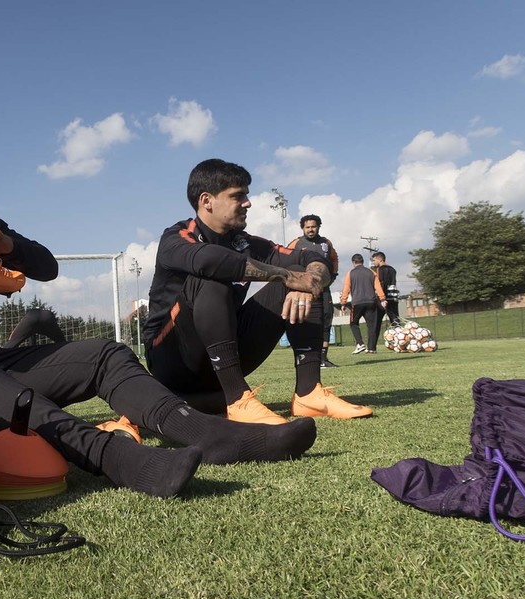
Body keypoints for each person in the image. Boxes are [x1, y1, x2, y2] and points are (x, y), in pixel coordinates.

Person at [0, 112, 318, 499]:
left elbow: (46, 265)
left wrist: (8, 246)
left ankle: (208, 435)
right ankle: (117, 458)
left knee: (105, 353)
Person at [143, 159, 373, 424]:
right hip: (173, 362)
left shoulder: (242, 242)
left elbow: (310, 256)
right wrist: (288, 276)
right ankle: (237, 400)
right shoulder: (176, 238)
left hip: (219, 364)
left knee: (304, 275)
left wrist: (309, 280)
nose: (248, 203)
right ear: (207, 201)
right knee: (213, 276)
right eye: (237, 196)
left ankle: (309, 393)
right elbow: (210, 261)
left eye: (246, 195)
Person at [287, 215, 340, 368]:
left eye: (313, 227)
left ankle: (323, 358)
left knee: (326, 319)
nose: (310, 230)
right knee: (303, 321)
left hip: (323, 288)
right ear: (303, 228)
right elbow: (286, 259)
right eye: (307, 227)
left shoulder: (326, 243)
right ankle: (304, 357)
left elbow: (334, 259)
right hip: (303, 290)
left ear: (318, 227)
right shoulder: (296, 243)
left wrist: (332, 276)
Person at [339, 253, 386, 354]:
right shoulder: (371, 272)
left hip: (357, 303)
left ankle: (360, 343)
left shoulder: (350, 273)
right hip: (371, 302)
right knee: (371, 326)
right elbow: (378, 287)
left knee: (353, 323)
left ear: (353, 262)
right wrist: (382, 299)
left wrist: (343, 303)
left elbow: (346, 289)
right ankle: (371, 348)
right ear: (362, 261)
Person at [370, 251, 401, 327]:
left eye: (374, 260)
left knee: (376, 321)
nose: (373, 262)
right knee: (395, 320)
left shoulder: (380, 270)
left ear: (380, 260)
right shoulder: (393, 269)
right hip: (393, 297)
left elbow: (381, 284)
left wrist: (381, 298)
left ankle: (374, 334)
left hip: (384, 298)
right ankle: (398, 333)